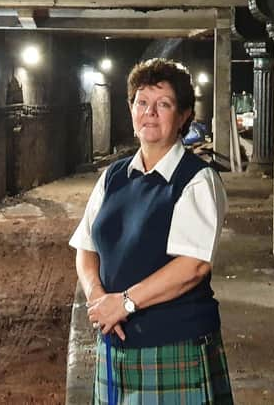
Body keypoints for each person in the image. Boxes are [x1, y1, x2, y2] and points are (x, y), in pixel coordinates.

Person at [69, 58, 233, 404]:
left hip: (173, 346)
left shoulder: (196, 180)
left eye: (164, 104)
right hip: (116, 343)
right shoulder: (113, 176)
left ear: (185, 115)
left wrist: (125, 303)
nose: (150, 113)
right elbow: (86, 247)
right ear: (131, 109)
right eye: (142, 103)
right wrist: (100, 299)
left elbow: (193, 266)